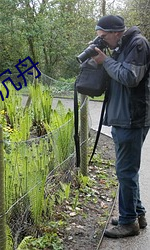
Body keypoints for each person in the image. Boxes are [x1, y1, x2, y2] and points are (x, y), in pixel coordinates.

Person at [92, 15, 150, 238]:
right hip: (122, 117)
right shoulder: (121, 46)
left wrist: (105, 61)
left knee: (125, 171)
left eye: (104, 37)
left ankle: (128, 223)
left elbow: (129, 77)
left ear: (116, 32)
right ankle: (137, 214)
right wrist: (102, 59)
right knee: (127, 171)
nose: (103, 41)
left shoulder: (138, 44)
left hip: (132, 118)